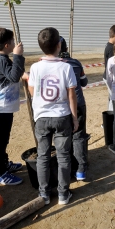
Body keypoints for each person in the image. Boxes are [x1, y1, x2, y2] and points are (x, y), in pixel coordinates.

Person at [28, 27, 78, 206]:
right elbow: (71, 95)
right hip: (62, 116)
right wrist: (74, 117)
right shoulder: (66, 67)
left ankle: (44, 194)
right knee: (63, 155)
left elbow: (33, 91)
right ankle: (63, 194)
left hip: (41, 117)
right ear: (59, 45)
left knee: (43, 156)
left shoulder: (34, 67)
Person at [0, 27, 26, 185]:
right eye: (12, 41)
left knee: (4, 139)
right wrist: (18, 56)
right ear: (7, 45)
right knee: (1, 140)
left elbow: (12, 73)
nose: (14, 43)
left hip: (1, 107)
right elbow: (14, 76)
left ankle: (4, 164)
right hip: (0, 108)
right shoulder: (2, 60)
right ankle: (0, 173)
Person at [59, 36, 88, 181]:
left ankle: (67, 168)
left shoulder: (49, 64)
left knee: (63, 137)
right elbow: (84, 82)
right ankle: (81, 169)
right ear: (66, 49)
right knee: (79, 136)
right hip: (78, 104)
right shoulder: (76, 63)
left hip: (61, 107)